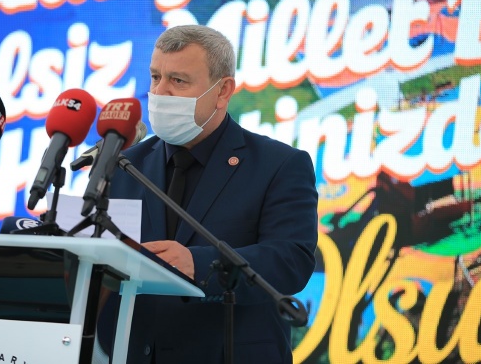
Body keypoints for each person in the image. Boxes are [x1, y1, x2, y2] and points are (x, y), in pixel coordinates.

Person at [96, 25, 318, 364]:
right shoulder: (124, 164)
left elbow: (290, 261)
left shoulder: (280, 164)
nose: (160, 92)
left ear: (223, 91)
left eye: (178, 80)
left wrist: (198, 264)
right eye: (156, 77)